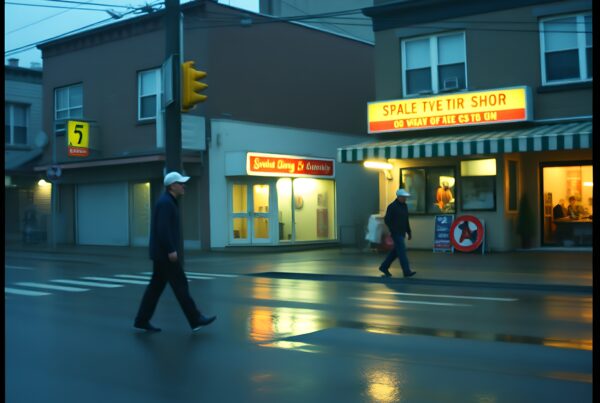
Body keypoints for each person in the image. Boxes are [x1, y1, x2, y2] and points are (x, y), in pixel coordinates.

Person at [134, 171, 216, 332]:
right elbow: (162, 229)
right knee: (180, 285)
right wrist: (171, 250)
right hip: (165, 255)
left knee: (155, 288)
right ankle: (195, 318)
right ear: (172, 186)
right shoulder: (166, 203)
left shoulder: (168, 201)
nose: (184, 186)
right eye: (181, 183)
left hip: (160, 253)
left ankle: (141, 320)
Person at [378, 188, 417, 278]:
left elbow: (406, 220)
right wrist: (393, 229)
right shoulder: (392, 206)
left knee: (396, 252)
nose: (405, 199)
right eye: (403, 197)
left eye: (405, 197)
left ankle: (384, 267)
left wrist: (409, 231)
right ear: (398, 197)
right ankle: (406, 271)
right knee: (402, 252)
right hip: (396, 233)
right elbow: (387, 220)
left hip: (402, 232)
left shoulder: (404, 206)